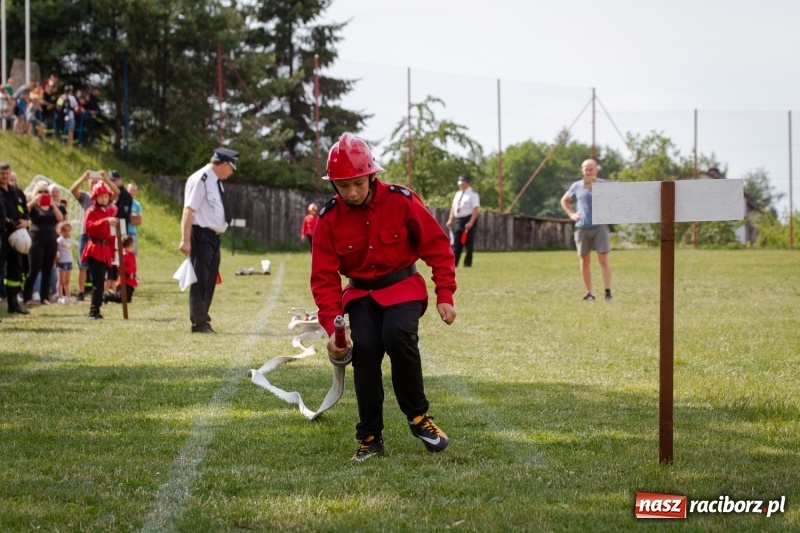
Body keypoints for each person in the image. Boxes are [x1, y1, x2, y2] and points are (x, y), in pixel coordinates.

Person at [311, 133, 457, 462]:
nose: (351, 192)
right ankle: (370, 436)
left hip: (402, 287)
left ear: (372, 175)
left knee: (397, 335)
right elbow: (323, 278)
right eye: (343, 185)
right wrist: (331, 328)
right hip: (361, 294)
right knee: (365, 350)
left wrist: (444, 293)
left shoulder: (402, 200)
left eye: (358, 184)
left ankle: (419, 418)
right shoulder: (328, 219)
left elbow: (437, 247)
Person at [179, 147, 238, 334]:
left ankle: (203, 317)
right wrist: (185, 240)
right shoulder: (202, 179)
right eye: (231, 167)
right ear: (224, 165)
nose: (232, 172)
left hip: (213, 237)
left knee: (210, 280)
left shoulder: (215, 181)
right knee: (200, 280)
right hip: (201, 235)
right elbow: (189, 210)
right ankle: (199, 322)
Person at [560, 158, 613, 302]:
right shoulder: (576, 186)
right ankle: (589, 293)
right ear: (582, 170)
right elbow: (564, 200)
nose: (589, 171)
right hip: (582, 226)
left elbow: (614, 199)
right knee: (585, 259)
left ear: (596, 170)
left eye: (591, 168)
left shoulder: (604, 185)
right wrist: (572, 214)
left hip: (600, 226)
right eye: (586, 169)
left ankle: (607, 292)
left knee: (603, 258)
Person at [70, 170, 119, 300]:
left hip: (101, 236)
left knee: (100, 267)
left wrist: (106, 180)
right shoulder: (86, 197)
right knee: (82, 266)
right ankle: (81, 292)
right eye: (92, 182)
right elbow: (73, 190)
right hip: (86, 234)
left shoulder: (105, 197)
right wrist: (83, 177)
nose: (95, 184)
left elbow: (117, 193)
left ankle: (97, 292)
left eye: (97, 182)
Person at [81, 181, 119, 319]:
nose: (103, 199)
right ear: (95, 197)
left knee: (101, 282)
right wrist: (105, 221)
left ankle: (96, 310)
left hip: (105, 249)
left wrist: (113, 251)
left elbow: (110, 234)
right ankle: (93, 311)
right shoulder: (91, 211)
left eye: (105, 196)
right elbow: (89, 227)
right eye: (100, 196)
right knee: (97, 283)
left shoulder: (109, 212)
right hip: (95, 249)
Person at [23, 181, 64, 305]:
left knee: (47, 268)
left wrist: (53, 205)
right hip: (36, 239)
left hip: (50, 238)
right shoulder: (33, 206)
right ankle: (27, 296)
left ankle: (44, 297)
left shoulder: (52, 206)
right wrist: (34, 201)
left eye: (46, 191)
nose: (43, 194)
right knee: (34, 269)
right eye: (40, 191)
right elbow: (25, 210)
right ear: (36, 192)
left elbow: (60, 218)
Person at [0, 162, 31, 314]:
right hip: (2, 235)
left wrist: (26, 220)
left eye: (7, 173)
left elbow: (25, 211)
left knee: (15, 270)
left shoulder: (17, 192)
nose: (5, 176)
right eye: (1, 173)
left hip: (17, 236)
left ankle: (13, 304)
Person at [445, 175, 480, 267]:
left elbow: (475, 209)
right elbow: (453, 208)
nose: (460, 185)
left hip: (468, 219)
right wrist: (450, 219)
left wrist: (471, 222)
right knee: (456, 242)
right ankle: (454, 263)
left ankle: (467, 263)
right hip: (458, 220)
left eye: (462, 183)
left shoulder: (473, 194)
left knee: (468, 243)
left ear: (466, 183)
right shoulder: (458, 194)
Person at [104, 235, 137, 304]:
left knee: (128, 299)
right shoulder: (124, 255)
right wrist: (129, 273)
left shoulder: (130, 255)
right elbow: (120, 266)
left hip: (130, 280)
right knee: (122, 298)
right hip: (125, 280)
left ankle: (110, 296)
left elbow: (133, 266)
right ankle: (107, 297)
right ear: (130, 246)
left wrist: (134, 275)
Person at [56, 221, 75, 303]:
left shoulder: (70, 240)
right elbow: (56, 251)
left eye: (68, 230)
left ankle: (68, 296)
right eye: (65, 231)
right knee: (61, 281)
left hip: (69, 261)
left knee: (67, 281)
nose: (67, 232)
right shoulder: (59, 240)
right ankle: (59, 296)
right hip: (62, 262)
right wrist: (55, 261)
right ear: (61, 231)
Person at [127, 182, 143, 256]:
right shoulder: (123, 202)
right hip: (122, 233)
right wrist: (134, 216)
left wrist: (128, 219)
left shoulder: (137, 205)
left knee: (132, 255)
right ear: (127, 190)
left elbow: (139, 220)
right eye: (131, 190)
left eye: (134, 190)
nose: (132, 192)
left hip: (132, 233)